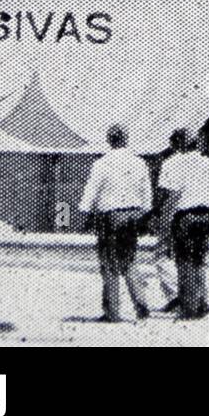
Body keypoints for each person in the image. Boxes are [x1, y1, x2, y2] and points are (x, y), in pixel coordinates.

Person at [78, 124, 152, 323]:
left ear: (109, 140)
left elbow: (91, 192)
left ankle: (112, 311)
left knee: (109, 264)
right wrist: (144, 214)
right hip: (133, 214)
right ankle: (141, 304)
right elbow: (147, 195)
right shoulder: (140, 163)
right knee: (129, 260)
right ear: (126, 139)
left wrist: (84, 215)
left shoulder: (102, 163)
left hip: (109, 216)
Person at [158, 127, 209, 320]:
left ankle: (189, 307)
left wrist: (163, 220)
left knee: (184, 262)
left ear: (178, 143)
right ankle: (202, 301)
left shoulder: (171, 163)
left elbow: (169, 196)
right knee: (198, 261)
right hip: (206, 215)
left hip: (184, 215)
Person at [153, 129, 187, 312]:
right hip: (193, 213)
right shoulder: (199, 163)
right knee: (185, 258)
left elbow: (164, 193)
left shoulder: (170, 163)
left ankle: (174, 296)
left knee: (162, 256)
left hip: (172, 213)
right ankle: (190, 297)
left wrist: (157, 214)